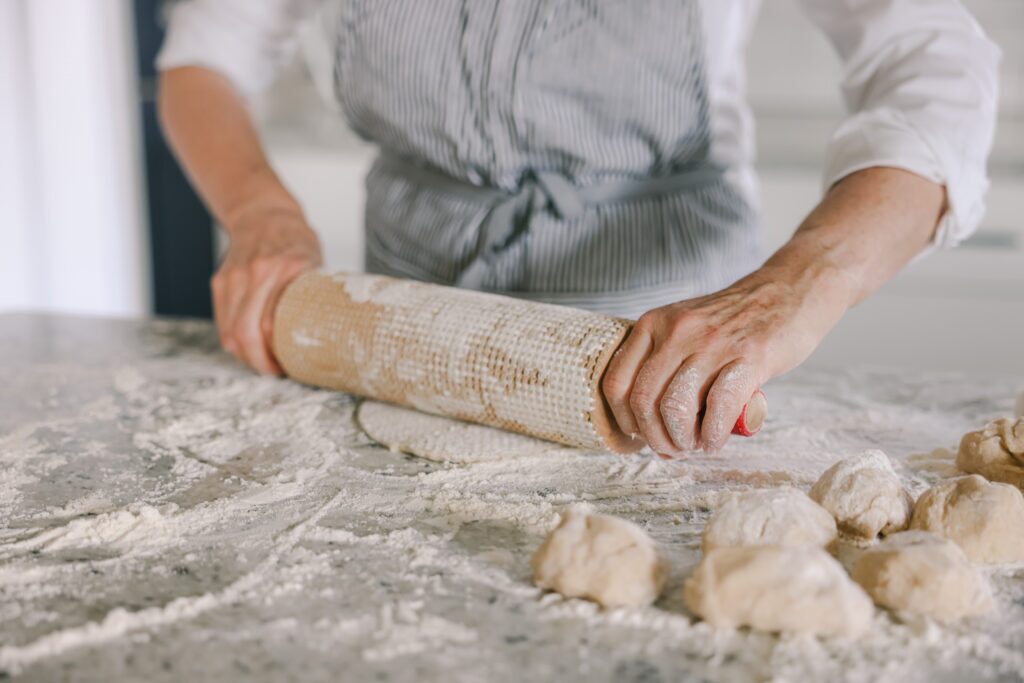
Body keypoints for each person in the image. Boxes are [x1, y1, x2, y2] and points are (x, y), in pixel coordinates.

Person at [157, 0, 1000, 456]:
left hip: (670, 345)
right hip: (406, 336)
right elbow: (204, 55)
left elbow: (931, 59)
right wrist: (261, 214)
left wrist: (800, 283)